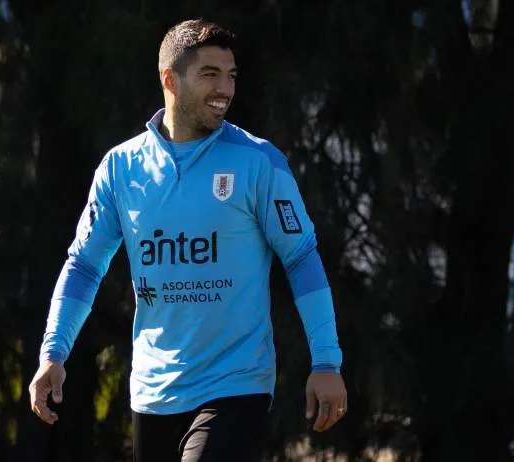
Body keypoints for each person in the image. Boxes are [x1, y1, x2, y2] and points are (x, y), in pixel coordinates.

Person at [27, 19, 347, 461]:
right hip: (153, 391)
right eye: (210, 74)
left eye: (231, 75)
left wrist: (326, 362)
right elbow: (84, 266)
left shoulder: (258, 162)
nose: (226, 89)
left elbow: (301, 258)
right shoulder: (121, 168)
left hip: (236, 384)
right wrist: (53, 353)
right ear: (169, 79)